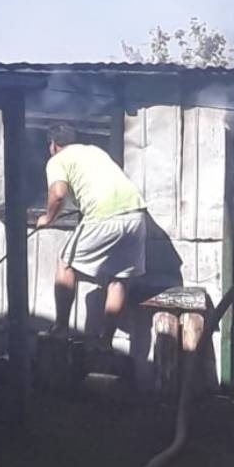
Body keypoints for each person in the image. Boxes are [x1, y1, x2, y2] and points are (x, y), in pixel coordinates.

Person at [36, 124, 148, 348]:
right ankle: (105, 341)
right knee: (119, 279)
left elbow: (58, 194)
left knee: (66, 264)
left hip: (104, 215)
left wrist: (48, 218)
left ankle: (60, 327)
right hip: (136, 215)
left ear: (53, 145)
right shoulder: (96, 152)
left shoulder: (58, 160)